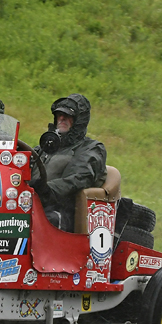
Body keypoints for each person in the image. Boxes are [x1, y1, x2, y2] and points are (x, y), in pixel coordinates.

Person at [30, 93, 107, 232]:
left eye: (68, 116)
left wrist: (47, 189)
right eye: (59, 114)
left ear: (79, 121)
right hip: (30, 203)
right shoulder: (44, 147)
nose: (62, 118)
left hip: (64, 211)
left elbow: (79, 178)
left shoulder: (91, 148)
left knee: (47, 219)